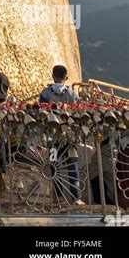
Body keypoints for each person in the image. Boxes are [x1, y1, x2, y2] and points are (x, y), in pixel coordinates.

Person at [39, 64, 84, 207]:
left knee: (54, 164)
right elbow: (79, 113)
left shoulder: (45, 93)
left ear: (53, 76)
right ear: (67, 78)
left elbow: (41, 113)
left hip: (52, 136)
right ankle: (76, 197)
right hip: (69, 135)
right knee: (72, 164)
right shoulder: (72, 94)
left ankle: (57, 196)